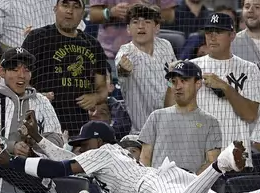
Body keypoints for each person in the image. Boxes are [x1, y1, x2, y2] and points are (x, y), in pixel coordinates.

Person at [0, 110, 260, 193]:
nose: (78, 147)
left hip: (148, 186)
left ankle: (221, 164)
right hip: (170, 178)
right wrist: (37, 138)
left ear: (99, 140)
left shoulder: (103, 152)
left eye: (83, 143)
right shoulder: (101, 156)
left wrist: (12, 161)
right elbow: (60, 156)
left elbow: (58, 169)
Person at [0, 47, 63, 193]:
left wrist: (35, 141)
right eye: (14, 69)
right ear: (2, 72)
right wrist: (12, 147)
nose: (21, 75)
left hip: (35, 185)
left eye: (26, 70)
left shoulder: (42, 101)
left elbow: (58, 140)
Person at [188, 12, 260, 169]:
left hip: (236, 158)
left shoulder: (249, 69)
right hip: (199, 158)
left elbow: (250, 115)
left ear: (232, 35)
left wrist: (225, 87)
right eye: (209, 32)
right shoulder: (191, 67)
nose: (212, 37)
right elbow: (172, 109)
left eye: (219, 32)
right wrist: (172, 82)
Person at [21, 0, 109, 136]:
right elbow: (19, 77)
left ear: (82, 12)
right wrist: (37, 97)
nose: (70, 11)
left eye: (76, 6)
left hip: (80, 128)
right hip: (43, 123)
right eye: (65, 5)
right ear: (55, 8)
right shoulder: (37, 38)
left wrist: (95, 97)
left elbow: (102, 88)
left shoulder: (93, 44)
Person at [139, 61, 222, 175]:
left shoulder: (210, 122)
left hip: (192, 188)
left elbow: (212, 162)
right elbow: (144, 158)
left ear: (198, 83)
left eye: (184, 81)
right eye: (174, 82)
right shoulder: (156, 116)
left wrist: (190, 183)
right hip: (158, 187)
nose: (178, 86)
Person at [115, 3, 177, 134]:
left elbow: (174, 78)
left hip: (171, 126)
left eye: (147, 22)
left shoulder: (165, 46)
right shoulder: (126, 51)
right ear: (128, 29)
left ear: (157, 27)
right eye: (135, 22)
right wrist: (123, 68)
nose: (141, 26)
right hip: (142, 133)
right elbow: (121, 68)